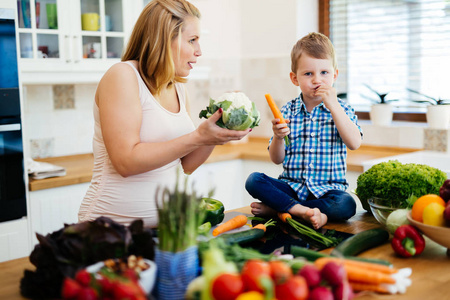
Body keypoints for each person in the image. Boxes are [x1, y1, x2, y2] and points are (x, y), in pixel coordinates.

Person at [78, 0, 250, 227]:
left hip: (165, 232)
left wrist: (214, 135)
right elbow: (125, 162)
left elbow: (184, 165)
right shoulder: (123, 76)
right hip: (109, 229)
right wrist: (197, 137)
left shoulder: (178, 87)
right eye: (192, 40)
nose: (199, 51)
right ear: (164, 39)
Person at [245, 32, 362, 229]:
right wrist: (278, 137)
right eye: (308, 74)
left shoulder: (342, 108)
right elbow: (276, 159)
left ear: (335, 75)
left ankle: (280, 210)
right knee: (254, 180)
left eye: (324, 73)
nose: (317, 80)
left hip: (328, 191)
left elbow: (355, 143)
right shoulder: (287, 110)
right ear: (294, 78)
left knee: (346, 205)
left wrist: (334, 107)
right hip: (292, 187)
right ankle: (301, 210)